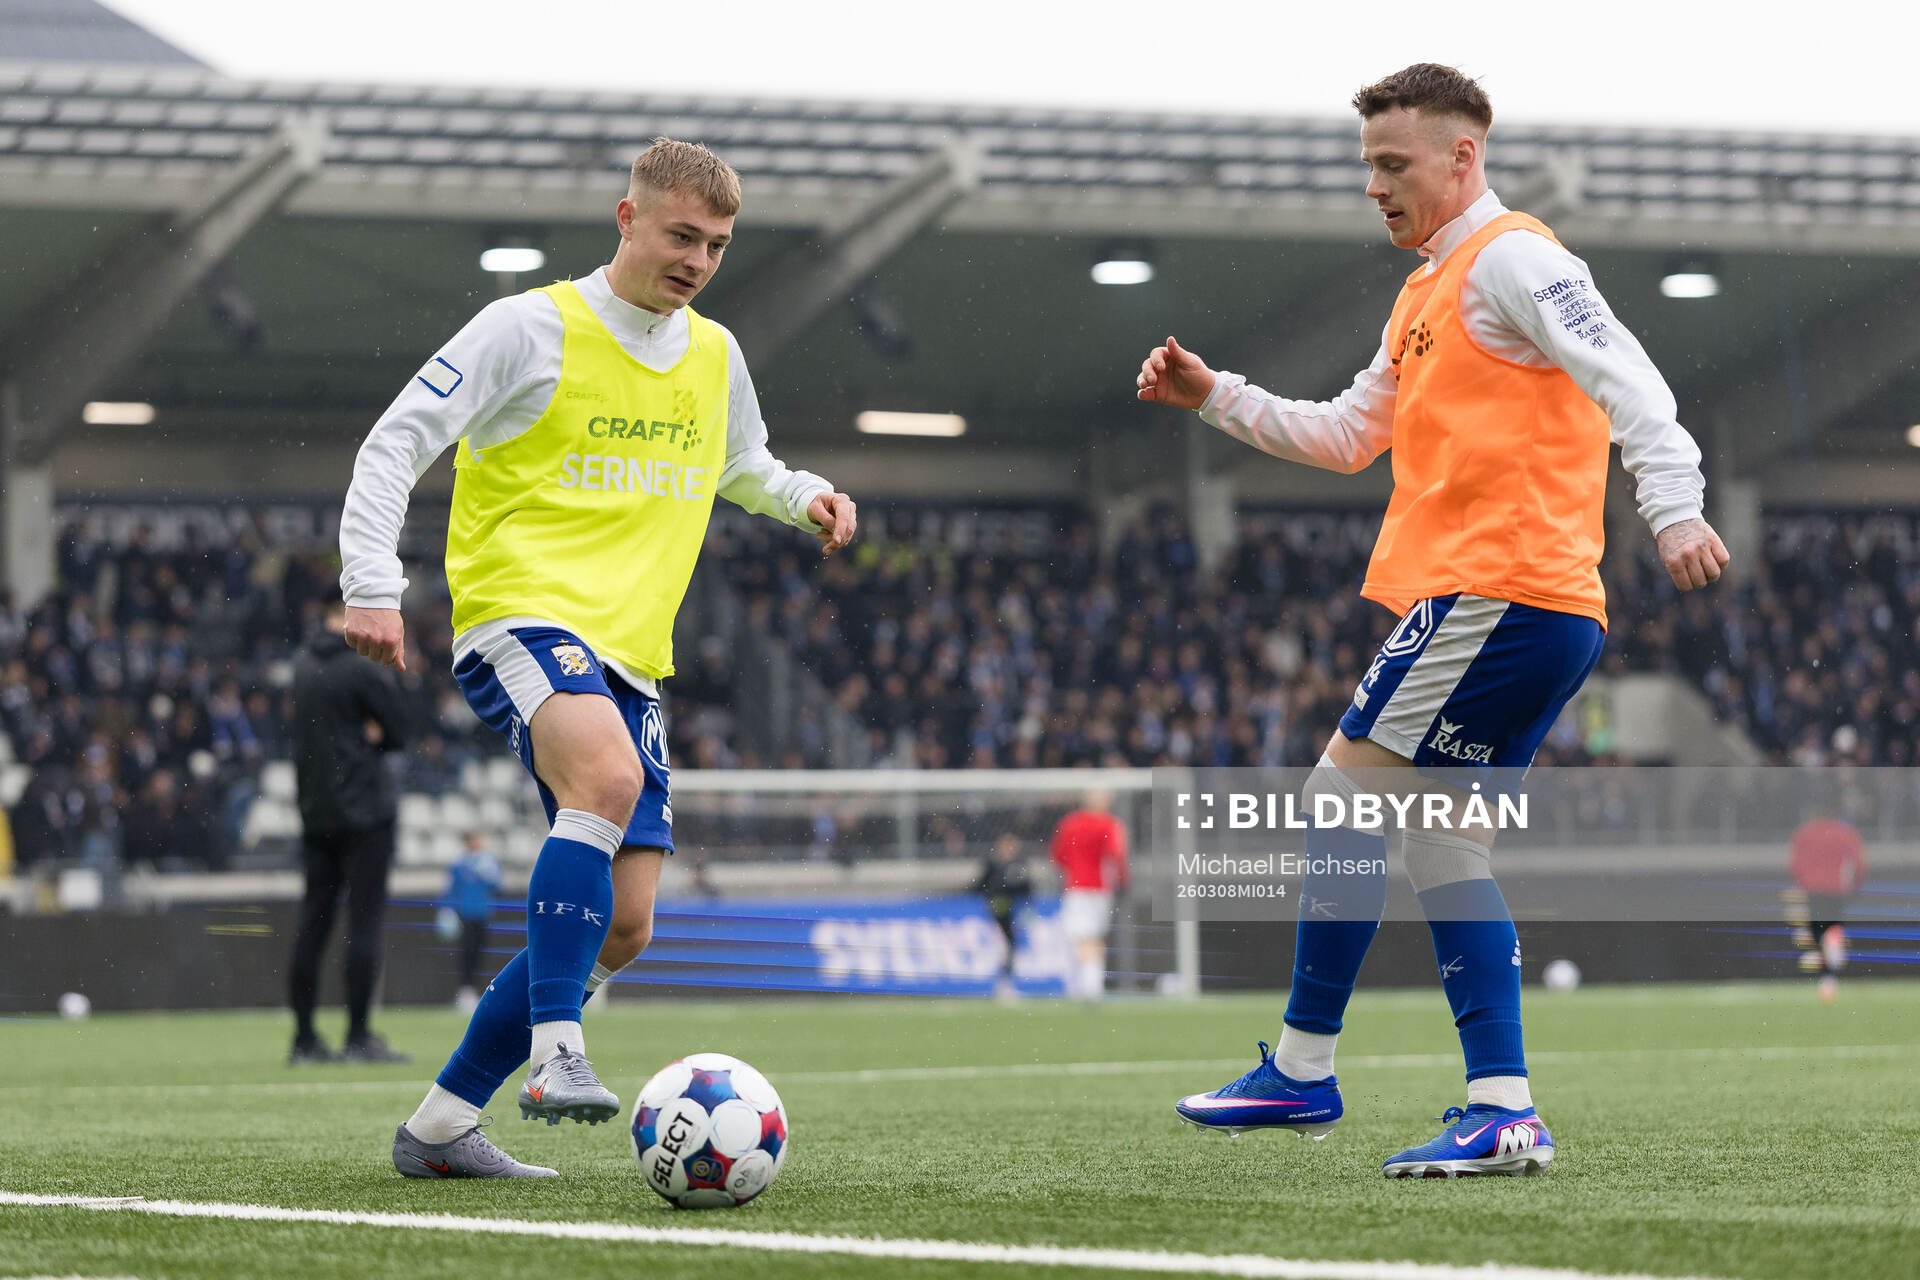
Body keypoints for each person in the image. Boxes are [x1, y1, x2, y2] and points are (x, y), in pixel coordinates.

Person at [1138, 64, 1729, 1177]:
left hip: (1501, 590)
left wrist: (1675, 507)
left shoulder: (1514, 258)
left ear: (1463, 157)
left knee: (1339, 796)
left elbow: (1632, 381)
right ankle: (1500, 1105)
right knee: (1440, 838)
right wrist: (1214, 393)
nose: (1374, 185)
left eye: (1393, 163)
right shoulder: (1426, 292)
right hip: (1516, 603)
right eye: (1367, 165)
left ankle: (1306, 1069)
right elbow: (1347, 433)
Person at [339, 138, 857, 1179]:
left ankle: (439, 1125)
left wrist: (803, 494)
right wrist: (370, 586)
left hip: (630, 652)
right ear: (627, 217)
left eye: (715, 244)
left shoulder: (714, 354)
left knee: (623, 926)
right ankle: (558, 1050)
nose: (698, 260)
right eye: (680, 235)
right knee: (608, 778)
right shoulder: (528, 326)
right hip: (520, 612)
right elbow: (395, 440)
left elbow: (742, 462)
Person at [288, 596, 413, 1066]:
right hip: (366, 813)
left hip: (316, 812)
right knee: (363, 922)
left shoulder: (301, 664)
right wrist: (371, 733)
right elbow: (401, 730)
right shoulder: (360, 668)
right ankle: (358, 1035)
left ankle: (303, 1038)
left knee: (312, 924)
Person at [1050, 792, 1129, 999]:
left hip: (1077, 887)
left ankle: (1088, 986)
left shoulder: (1069, 824)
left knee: (1079, 937)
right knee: (1093, 937)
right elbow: (1117, 854)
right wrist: (1123, 881)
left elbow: (1058, 856)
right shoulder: (1110, 824)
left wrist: (1074, 868)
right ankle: (1092, 985)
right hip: (1101, 889)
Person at [1789, 808, 1866, 1003]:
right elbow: (1858, 862)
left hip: (1814, 889)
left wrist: (1803, 881)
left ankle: (1827, 974)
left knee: (1819, 930)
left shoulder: (1806, 832)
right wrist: (1856, 885)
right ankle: (1830, 974)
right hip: (1836, 889)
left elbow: (1795, 864)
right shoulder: (1844, 833)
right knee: (1833, 928)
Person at [443, 830, 503, 1012]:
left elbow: (497, 887)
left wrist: (489, 873)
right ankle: (465, 992)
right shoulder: (460, 865)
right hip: (465, 915)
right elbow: (452, 890)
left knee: (479, 953)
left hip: (482, 914)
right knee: (466, 954)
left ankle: (475, 991)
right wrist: (448, 910)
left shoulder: (488, 863)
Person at [974, 831, 1034, 999]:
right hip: (996, 913)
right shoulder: (992, 864)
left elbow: (1027, 888)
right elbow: (982, 886)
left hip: (1012, 914)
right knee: (1002, 947)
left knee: (1010, 948)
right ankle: (999, 983)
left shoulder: (1019, 864)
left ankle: (1005, 983)